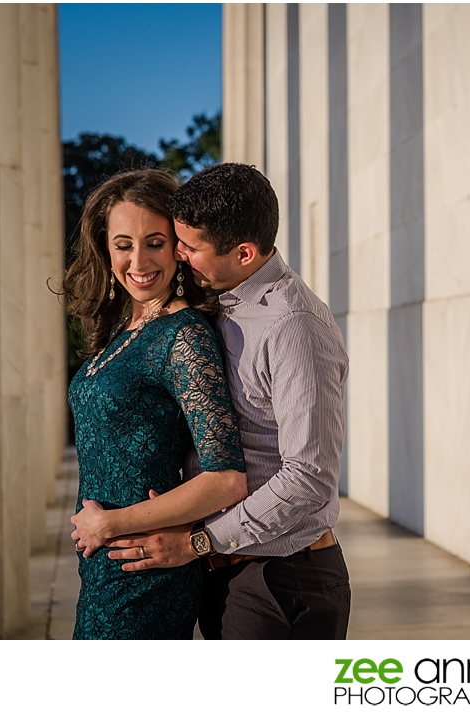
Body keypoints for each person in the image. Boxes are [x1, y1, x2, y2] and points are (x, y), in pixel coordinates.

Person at [104, 163, 352, 639]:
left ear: (243, 253)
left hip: (282, 582)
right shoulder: (224, 300)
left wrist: (199, 541)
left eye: (190, 248)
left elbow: (310, 479)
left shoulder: (293, 326)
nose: (178, 254)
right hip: (228, 572)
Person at [63, 168, 248, 639]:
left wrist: (111, 523)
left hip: (145, 567)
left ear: (178, 248)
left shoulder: (183, 336)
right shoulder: (124, 329)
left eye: (154, 242)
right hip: (106, 567)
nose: (138, 260)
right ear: (106, 250)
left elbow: (226, 479)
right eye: (123, 244)